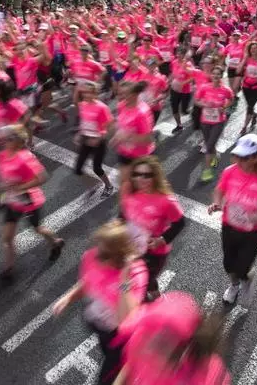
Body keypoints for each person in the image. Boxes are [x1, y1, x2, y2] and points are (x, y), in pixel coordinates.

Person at [52, 220, 147, 385]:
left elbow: (127, 319)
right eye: (98, 248)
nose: (97, 256)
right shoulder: (93, 256)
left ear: (119, 256)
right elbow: (89, 281)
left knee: (108, 377)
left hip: (120, 336)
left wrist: (124, 279)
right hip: (100, 325)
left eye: (103, 254)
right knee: (107, 352)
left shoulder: (136, 274)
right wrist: (68, 298)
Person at [208, 134, 257, 306]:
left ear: (256, 157)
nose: (239, 161)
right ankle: (234, 286)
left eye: (244, 157)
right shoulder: (229, 171)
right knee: (228, 265)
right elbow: (220, 190)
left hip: (253, 232)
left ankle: (247, 278)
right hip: (229, 226)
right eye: (237, 156)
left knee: (242, 266)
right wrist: (217, 203)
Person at [0, 124, 64, 281]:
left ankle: (56, 242)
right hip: (12, 202)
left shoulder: (25, 157)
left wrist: (20, 187)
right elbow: (2, 178)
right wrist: (3, 194)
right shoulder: (1, 155)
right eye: (4, 138)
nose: (4, 141)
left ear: (17, 141)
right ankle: (9, 269)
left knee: (37, 228)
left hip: (29, 200)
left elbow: (42, 177)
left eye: (8, 138)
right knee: (7, 237)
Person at [113, 292, 231, 384]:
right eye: (152, 328)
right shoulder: (142, 338)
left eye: (162, 343)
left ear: (183, 352)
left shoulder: (207, 377)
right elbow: (130, 367)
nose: (149, 344)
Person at [119, 156, 185, 301]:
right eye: (136, 174)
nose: (140, 179)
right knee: (141, 278)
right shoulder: (130, 192)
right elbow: (123, 215)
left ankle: (151, 301)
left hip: (154, 252)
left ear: (155, 176)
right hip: (132, 247)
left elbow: (180, 223)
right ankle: (155, 296)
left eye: (147, 175)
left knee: (144, 279)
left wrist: (161, 240)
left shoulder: (166, 200)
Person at [74, 81, 114, 196]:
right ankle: (92, 186)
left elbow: (109, 126)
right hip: (86, 139)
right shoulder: (82, 105)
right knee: (78, 168)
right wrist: (79, 133)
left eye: (89, 92)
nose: (86, 95)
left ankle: (109, 186)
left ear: (95, 93)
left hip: (98, 142)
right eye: (84, 92)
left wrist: (99, 139)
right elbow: (84, 122)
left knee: (97, 168)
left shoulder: (101, 107)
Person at [195, 65, 234, 182]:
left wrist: (224, 107)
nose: (216, 76)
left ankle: (207, 171)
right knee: (209, 144)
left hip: (218, 122)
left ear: (221, 76)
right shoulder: (204, 87)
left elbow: (231, 100)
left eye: (218, 74)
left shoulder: (226, 90)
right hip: (205, 121)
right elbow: (196, 101)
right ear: (211, 75)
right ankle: (215, 156)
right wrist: (204, 104)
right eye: (214, 73)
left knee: (209, 146)